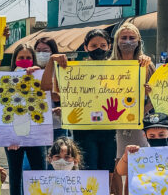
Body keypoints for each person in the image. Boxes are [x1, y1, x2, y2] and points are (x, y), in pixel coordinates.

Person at [41, 28, 117, 173]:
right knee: (88, 173)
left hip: (109, 130)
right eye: (94, 46)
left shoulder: (118, 71)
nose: (99, 49)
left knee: (108, 173)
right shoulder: (72, 70)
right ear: (85, 47)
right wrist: (52, 61)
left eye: (102, 45)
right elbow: (49, 90)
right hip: (84, 130)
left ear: (109, 46)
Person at [4, 44, 48, 195]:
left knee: (39, 173)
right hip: (14, 136)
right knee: (15, 177)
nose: (24, 60)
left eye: (28, 57)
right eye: (20, 57)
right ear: (14, 60)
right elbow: (3, 109)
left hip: (36, 134)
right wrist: (10, 135)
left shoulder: (39, 75)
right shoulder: (4, 79)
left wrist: (38, 73)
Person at [109, 23, 155, 195]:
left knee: (136, 164)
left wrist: (143, 110)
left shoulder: (146, 64)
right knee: (116, 167)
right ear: (117, 41)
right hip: (114, 122)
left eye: (131, 38)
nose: (127, 42)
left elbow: (157, 94)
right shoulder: (108, 65)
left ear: (138, 41)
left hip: (138, 123)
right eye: (124, 38)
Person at [34, 37, 67, 141]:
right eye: (38, 51)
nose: (41, 54)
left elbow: (63, 97)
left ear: (53, 52)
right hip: (35, 124)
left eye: (45, 51)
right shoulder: (30, 72)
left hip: (56, 125)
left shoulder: (62, 71)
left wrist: (62, 108)